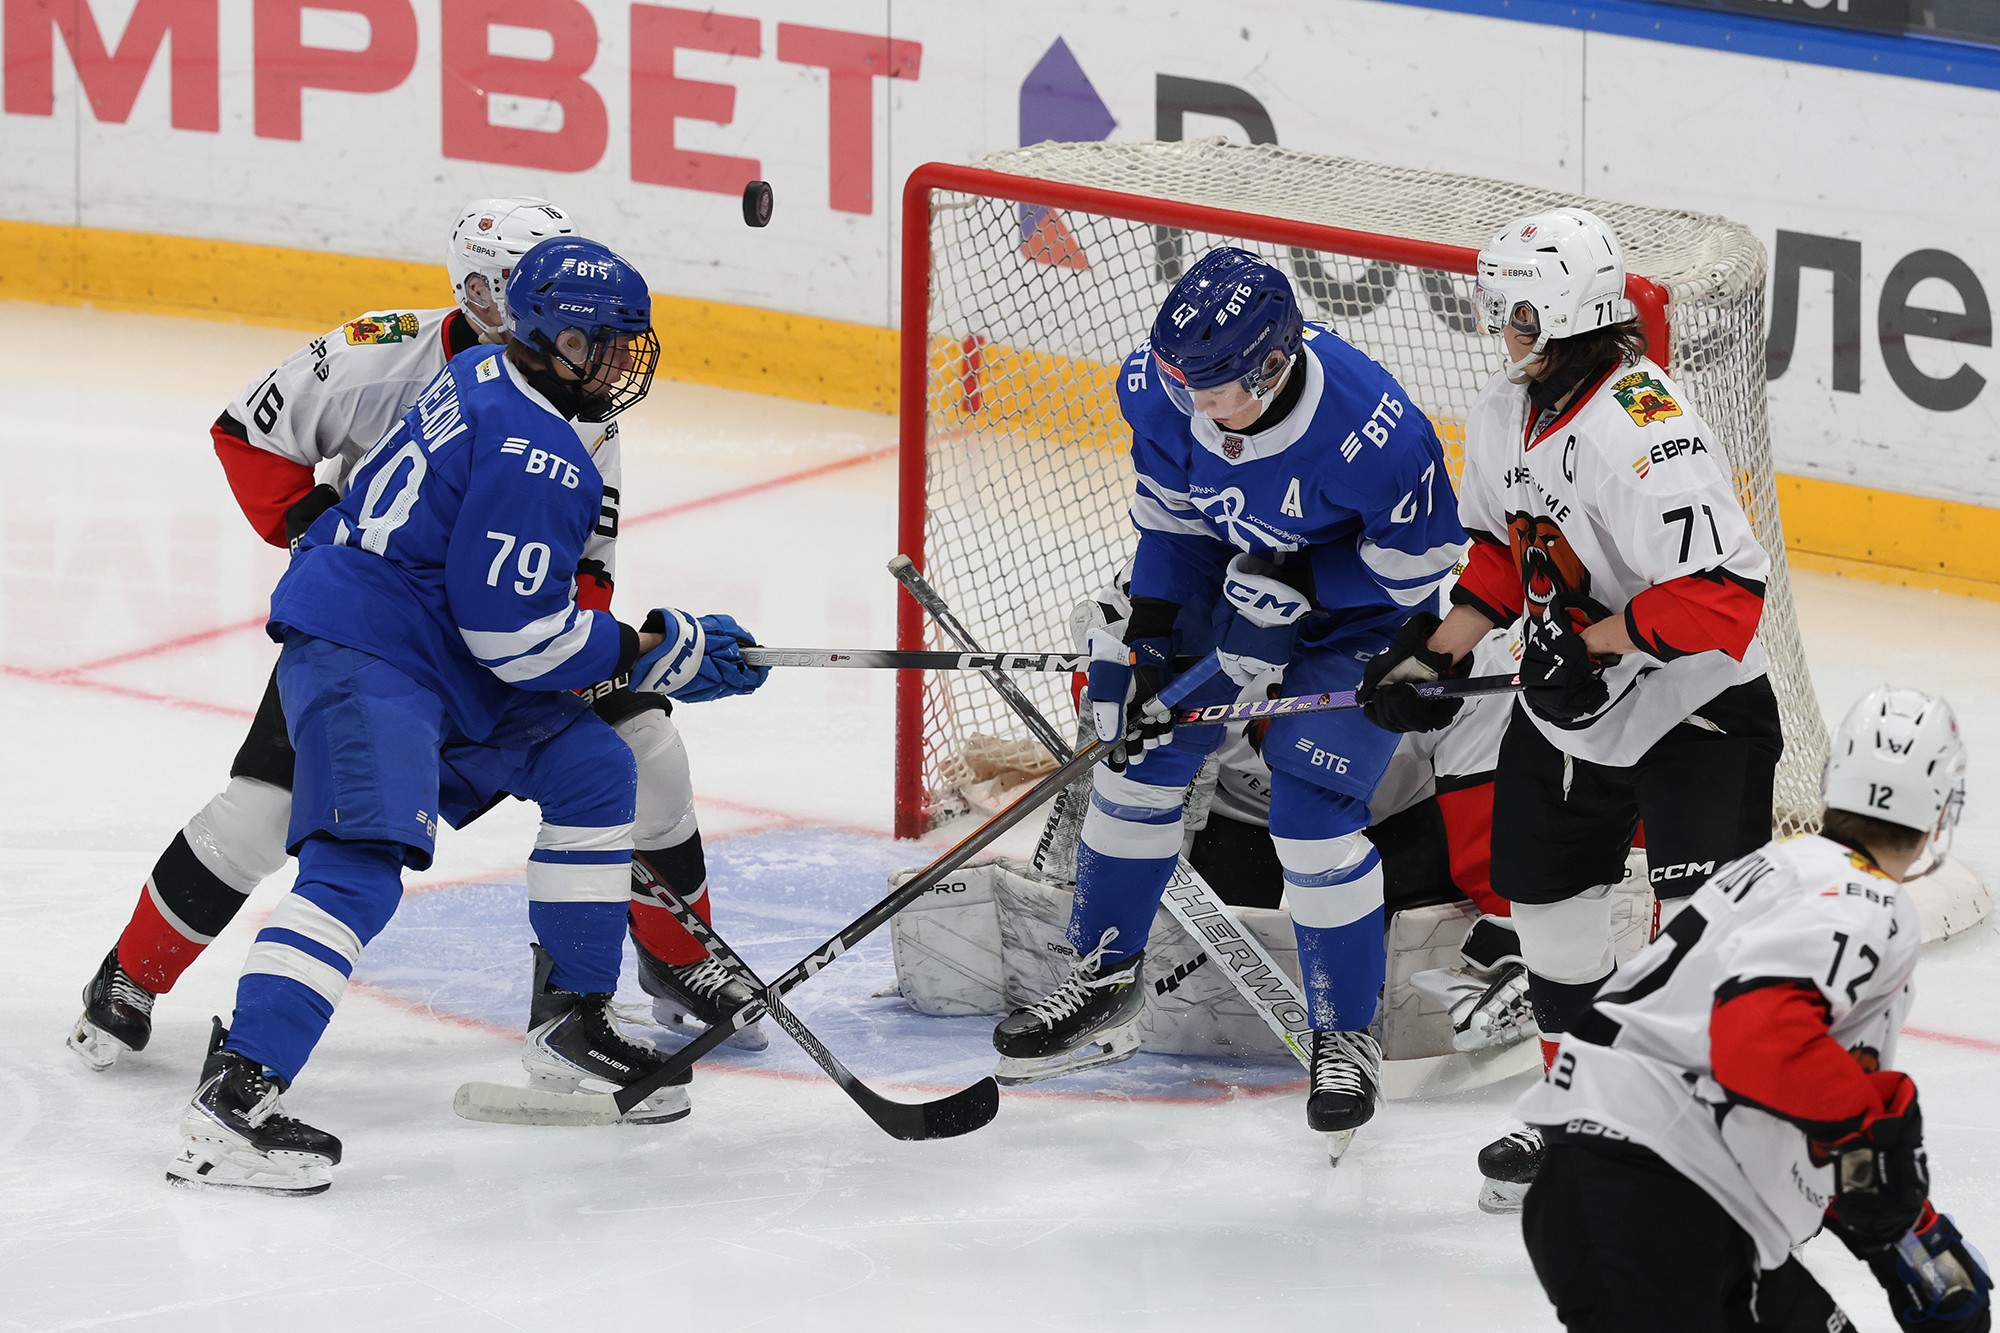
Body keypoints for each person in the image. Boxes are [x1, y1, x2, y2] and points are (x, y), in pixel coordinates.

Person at [70, 198, 764, 1077]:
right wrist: (322, 532)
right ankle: (133, 974)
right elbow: (248, 433)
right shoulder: (385, 353)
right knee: (264, 813)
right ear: (478, 291)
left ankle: (676, 955)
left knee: (638, 750)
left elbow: (580, 562)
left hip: (497, 638)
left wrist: (598, 654)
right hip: (381, 638)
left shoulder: (575, 391)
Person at [989, 246, 1467, 1147]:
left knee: (1313, 822)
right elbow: (1172, 525)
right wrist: (1149, 637)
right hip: (1225, 576)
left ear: (1273, 365)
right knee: (1134, 761)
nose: (1189, 403)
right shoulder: (1163, 389)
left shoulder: (1378, 435)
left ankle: (1345, 1036)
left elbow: (1421, 567)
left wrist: (1302, 589)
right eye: (1180, 381)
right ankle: (1103, 977)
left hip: (1356, 618)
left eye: (1210, 389)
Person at [1356, 208, 1782, 1208]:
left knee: (1700, 939)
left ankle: (1698, 1133)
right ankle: (1574, 1102)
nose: (1493, 326)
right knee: (1548, 917)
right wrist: (1437, 650)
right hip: (1573, 714)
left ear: (1554, 314)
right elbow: (1507, 552)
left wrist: (1593, 644)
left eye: (1508, 308)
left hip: (1697, 711)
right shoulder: (1506, 408)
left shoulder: (1646, 430)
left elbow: (1725, 596)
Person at [1514, 686, 1990, 1333]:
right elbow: (1760, 1038)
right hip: (1654, 1196)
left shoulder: (1777, 869)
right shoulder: (1867, 902)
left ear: (1833, 779)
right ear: (1940, 812)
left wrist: (1904, 1229)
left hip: (1637, 1190)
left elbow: (1790, 1088)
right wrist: (1873, 1142)